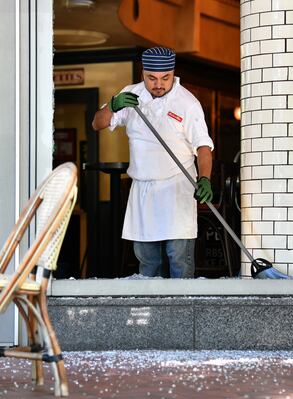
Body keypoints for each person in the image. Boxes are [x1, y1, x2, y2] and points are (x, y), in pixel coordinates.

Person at [91, 46, 214, 278]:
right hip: (143, 191)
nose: (158, 84)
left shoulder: (187, 103)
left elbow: (203, 147)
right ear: (143, 74)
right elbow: (97, 124)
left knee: (179, 260)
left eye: (165, 78)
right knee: (148, 264)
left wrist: (205, 178)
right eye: (152, 78)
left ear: (173, 73)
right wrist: (113, 105)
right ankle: (151, 313)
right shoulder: (130, 95)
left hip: (177, 189)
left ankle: (183, 312)